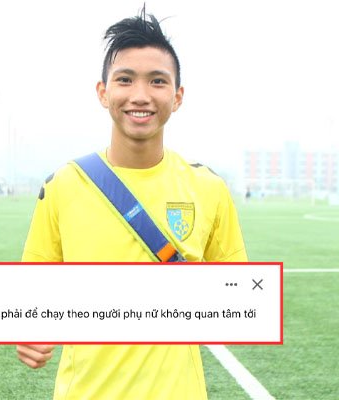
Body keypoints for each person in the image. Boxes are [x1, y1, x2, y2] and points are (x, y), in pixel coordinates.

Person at [17, 11, 247, 400]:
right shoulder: (63, 186)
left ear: (177, 96)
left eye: (157, 81)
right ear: (103, 92)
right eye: (125, 79)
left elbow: (238, 300)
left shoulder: (208, 188)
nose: (140, 95)